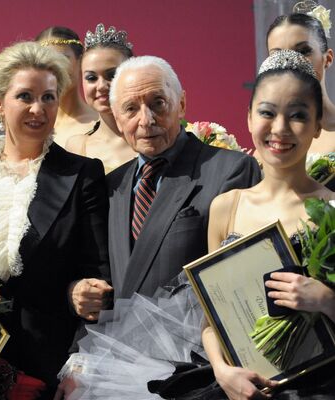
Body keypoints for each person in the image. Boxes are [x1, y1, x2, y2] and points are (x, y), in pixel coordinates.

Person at [0, 41, 110, 397]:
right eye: (25, 96)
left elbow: (98, 271)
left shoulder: (82, 174)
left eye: (49, 98)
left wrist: (78, 294)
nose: (38, 109)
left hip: (49, 366)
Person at [204, 50, 335, 400]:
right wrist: (223, 371)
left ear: (317, 124)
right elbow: (211, 321)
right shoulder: (226, 207)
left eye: (297, 116)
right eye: (267, 112)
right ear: (248, 118)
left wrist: (326, 299)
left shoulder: (332, 209)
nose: (279, 129)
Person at [106, 55, 261, 300]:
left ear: (181, 104)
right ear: (117, 118)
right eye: (130, 109)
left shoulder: (230, 170)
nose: (146, 121)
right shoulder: (112, 186)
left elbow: (241, 279)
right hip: (113, 336)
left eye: (158, 103)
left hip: (193, 335)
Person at [265, 1, 335, 189]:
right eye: (278, 55)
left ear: (327, 59)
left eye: (303, 51)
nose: (291, 62)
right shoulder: (266, 143)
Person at [66, 23, 137, 174]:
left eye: (112, 75)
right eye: (91, 78)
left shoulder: (154, 139)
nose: (101, 86)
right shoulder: (77, 147)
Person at [36, 26, 98, 147]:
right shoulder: (30, 123)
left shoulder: (100, 124)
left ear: (81, 62)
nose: (53, 68)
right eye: (44, 61)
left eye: (62, 59)